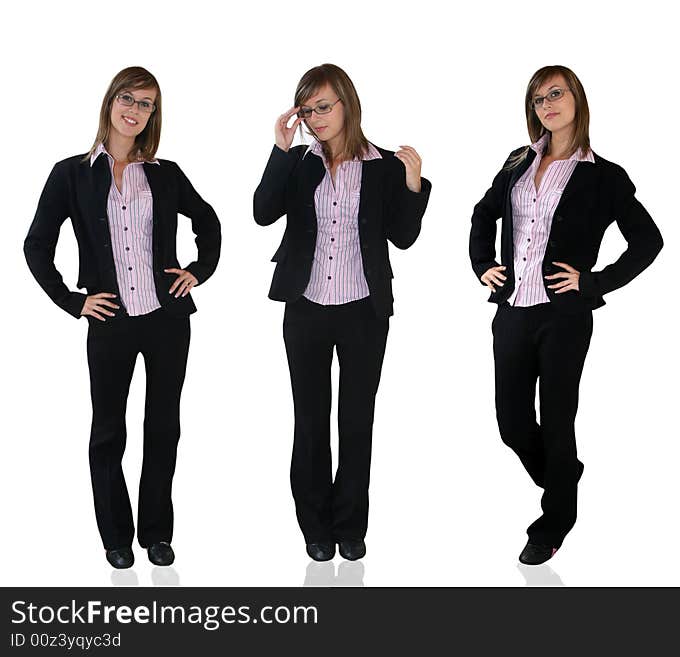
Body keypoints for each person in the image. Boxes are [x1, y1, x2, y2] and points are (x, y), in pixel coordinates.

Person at [24, 66, 221, 569]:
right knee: (108, 430)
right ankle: (115, 535)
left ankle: (157, 533)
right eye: (128, 99)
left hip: (165, 321)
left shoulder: (165, 173)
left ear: (154, 114)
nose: (135, 110)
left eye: (147, 104)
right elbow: (37, 244)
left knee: (164, 426)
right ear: (111, 101)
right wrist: (73, 300)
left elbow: (208, 222)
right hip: (109, 321)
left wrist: (197, 271)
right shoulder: (71, 173)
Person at [469, 65, 663, 565]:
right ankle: (563, 477)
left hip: (564, 317)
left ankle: (554, 521)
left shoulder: (604, 175)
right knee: (511, 422)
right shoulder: (517, 161)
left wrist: (594, 282)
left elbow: (649, 241)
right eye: (537, 99)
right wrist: (483, 264)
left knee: (557, 421)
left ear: (577, 97)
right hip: (512, 310)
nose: (546, 104)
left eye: (555, 93)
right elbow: (482, 213)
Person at [253, 63, 431, 562]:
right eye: (307, 110)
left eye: (323, 107)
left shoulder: (384, 165)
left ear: (348, 103)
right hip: (305, 307)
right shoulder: (300, 162)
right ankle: (314, 525)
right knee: (310, 420)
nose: (315, 118)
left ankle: (350, 525)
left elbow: (403, 236)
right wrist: (280, 149)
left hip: (364, 312)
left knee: (356, 421)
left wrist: (413, 186)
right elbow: (262, 212)